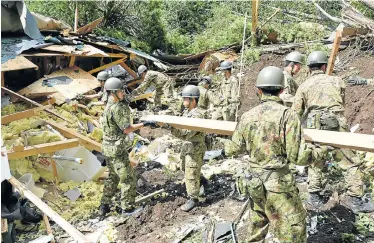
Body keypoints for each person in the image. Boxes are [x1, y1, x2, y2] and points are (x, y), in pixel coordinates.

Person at [223, 66, 325, 242]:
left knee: (257, 226)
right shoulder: (288, 116)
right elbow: (298, 157)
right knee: (293, 229)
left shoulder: (247, 116)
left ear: (258, 90)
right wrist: (320, 152)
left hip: (253, 182)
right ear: (283, 90)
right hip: (278, 185)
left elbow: (233, 149)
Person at [292, 51, 374, 213]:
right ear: (324, 66)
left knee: (316, 159)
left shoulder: (304, 86)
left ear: (309, 68)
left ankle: (314, 197)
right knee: (350, 160)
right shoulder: (337, 81)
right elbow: (341, 103)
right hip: (337, 123)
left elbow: (296, 112)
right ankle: (355, 199)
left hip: (314, 125)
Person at [99, 77, 156, 216]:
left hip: (107, 147)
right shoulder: (118, 107)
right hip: (117, 149)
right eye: (120, 91)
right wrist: (145, 124)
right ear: (113, 92)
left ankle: (104, 205)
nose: (123, 93)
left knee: (113, 177)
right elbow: (127, 129)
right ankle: (127, 208)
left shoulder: (108, 105)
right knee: (128, 179)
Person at [171, 85, 207, 212]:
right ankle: (202, 182)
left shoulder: (198, 115)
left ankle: (193, 199)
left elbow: (186, 133)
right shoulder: (188, 112)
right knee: (186, 168)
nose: (183, 101)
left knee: (191, 174)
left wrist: (170, 127)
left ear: (193, 100)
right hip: (187, 147)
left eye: (185, 98)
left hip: (195, 148)